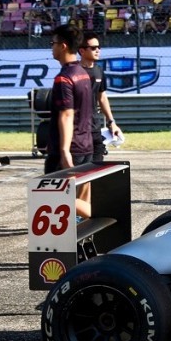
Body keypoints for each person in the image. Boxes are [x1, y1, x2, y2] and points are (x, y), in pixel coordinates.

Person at [46, 24, 94, 217]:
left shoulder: (64, 78)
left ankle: (108, 217)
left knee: (50, 195)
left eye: (53, 43)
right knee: (83, 193)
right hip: (86, 143)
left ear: (63, 46)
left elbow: (67, 114)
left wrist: (64, 150)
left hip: (68, 147)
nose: (52, 47)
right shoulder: (83, 73)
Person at [78, 31, 123, 162]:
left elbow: (102, 97)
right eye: (93, 48)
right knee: (78, 171)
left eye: (98, 47)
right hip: (78, 131)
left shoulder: (98, 71)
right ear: (82, 51)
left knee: (96, 169)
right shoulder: (74, 71)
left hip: (94, 127)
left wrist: (111, 123)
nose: (97, 50)